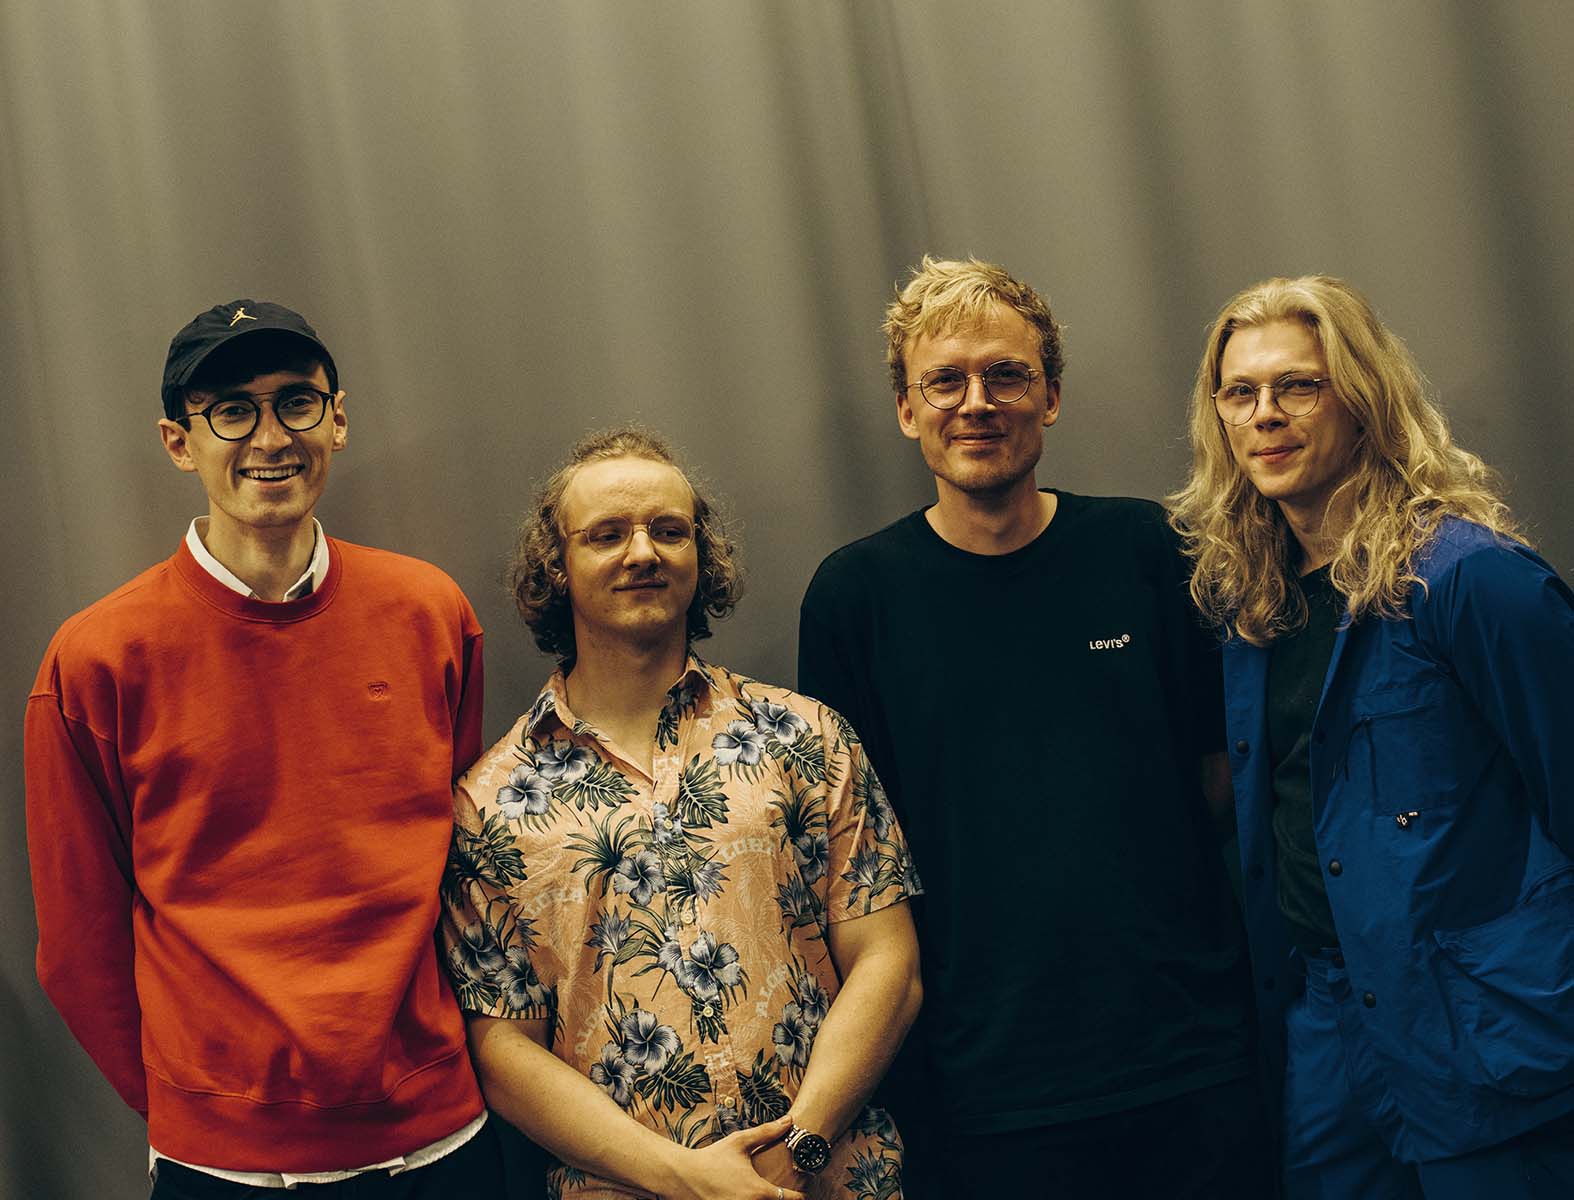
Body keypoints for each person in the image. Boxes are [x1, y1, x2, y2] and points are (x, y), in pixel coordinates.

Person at [797, 256, 1270, 1196]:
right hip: (982, 1090)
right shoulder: (856, 598)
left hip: (1190, 1059)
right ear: (907, 409)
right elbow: (852, 862)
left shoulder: (1148, 550)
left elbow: (1223, 778)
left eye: (1006, 375)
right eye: (946, 382)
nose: (977, 403)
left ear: (1050, 396)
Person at [25, 300, 503, 1196]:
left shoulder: (429, 614)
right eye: (231, 411)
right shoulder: (97, 660)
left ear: (339, 419)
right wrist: (200, 1106)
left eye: (296, 402)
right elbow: (78, 945)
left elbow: (466, 872)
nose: (270, 437)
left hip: (442, 1144)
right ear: (179, 443)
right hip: (226, 1167)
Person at [1169, 274, 1574, 1198]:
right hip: (1323, 1027)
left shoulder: (1471, 579)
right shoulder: (1250, 604)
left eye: (1298, 386)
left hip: (1486, 1031)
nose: (1265, 415)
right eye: (1240, 393)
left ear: (1362, 400)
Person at [441, 427, 921, 1200]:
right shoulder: (490, 801)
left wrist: (796, 1147)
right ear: (556, 567)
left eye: (668, 530)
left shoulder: (804, 737)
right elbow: (504, 1048)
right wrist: (690, 1181)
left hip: (826, 1179)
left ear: (702, 555)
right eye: (606, 535)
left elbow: (888, 964)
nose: (643, 553)